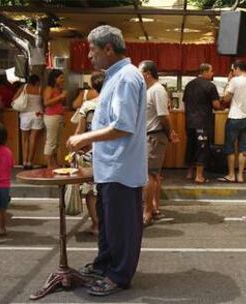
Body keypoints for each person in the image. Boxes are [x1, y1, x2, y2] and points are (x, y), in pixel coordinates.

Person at [67, 25, 146, 296]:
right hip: (111, 166)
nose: (89, 55)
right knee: (109, 223)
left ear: (108, 49)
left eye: (93, 49)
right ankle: (105, 264)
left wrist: (85, 137)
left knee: (121, 226)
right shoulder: (116, 75)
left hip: (120, 167)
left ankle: (119, 274)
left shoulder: (125, 77)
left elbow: (122, 126)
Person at [139, 60, 178, 227]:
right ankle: (154, 208)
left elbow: (163, 115)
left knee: (149, 175)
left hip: (154, 136)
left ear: (147, 73)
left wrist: (170, 133)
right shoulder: (151, 90)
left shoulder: (157, 90)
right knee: (153, 174)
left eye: (140, 73)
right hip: (150, 135)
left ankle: (147, 211)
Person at [73, 71, 105, 236]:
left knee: (91, 191)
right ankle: (108, 224)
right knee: (106, 189)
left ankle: (96, 224)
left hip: (90, 153)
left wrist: (74, 147)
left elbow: (79, 131)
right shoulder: (114, 104)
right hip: (110, 153)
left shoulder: (87, 106)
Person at [220, 60, 246, 183]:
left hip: (234, 117)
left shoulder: (234, 81)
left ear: (237, 69)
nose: (232, 72)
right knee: (243, 148)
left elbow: (226, 98)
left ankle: (231, 174)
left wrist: (228, 83)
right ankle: (241, 176)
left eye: (233, 70)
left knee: (230, 147)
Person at [183, 63, 222, 183]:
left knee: (191, 146)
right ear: (205, 71)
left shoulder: (189, 85)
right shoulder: (210, 86)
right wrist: (221, 105)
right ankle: (199, 176)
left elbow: (185, 103)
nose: (212, 73)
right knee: (202, 147)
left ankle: (189, 173)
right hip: (203, 122)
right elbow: (216, 105)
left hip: (189, 121)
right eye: (211, 71)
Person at [13, 75, 44, 170]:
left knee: (25, 139)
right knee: (33, 139)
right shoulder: (40, 89)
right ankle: (30, 162)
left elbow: (14, 99)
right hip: (37, 114)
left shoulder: (24, 87)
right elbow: (44, 102)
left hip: (25, 116)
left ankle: (24, 162)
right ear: (37, 81)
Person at [43, 69, 67, 169]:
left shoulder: (59, 89)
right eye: (60, 78)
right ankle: (49, 165)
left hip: (58, 117)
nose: (62, 80)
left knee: (56, 143)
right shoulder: (49, 89)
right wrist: (61, 96)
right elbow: (46, 103)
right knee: (51, 142)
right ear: (54, 78)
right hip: (52, 117)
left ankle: (55, 164)